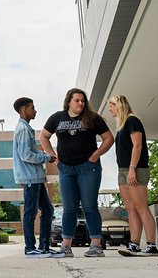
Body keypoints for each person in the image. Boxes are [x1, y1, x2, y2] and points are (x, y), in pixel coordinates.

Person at [38, 88, 113, 257]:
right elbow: (43, 136)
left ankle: (96, 246)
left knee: (89, 206)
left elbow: (109, 138)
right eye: (77, 100)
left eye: (82, 100)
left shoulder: (93, 118)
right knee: (69, 208)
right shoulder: (57, 117)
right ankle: (66, 247)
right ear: (68, 102)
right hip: (65, 168)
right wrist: (53, 156)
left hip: (88, 168)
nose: (80, 103)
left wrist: (95, 155)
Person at [108, 94, 158, 257]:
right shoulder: (121, 125)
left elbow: (137, 145)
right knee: (130, 208)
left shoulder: (132, 120)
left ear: (119, 105)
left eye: (111, 106)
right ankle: (134, 244)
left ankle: (151, 245)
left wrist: (132, 169)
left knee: (141, 207)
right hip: (122, 170)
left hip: (135, 169)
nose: (110, 109)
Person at [12, 97, 59, 258]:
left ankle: (44, 247)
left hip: (36, 178)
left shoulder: (25, 128)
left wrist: (45, 155)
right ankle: (30, 248)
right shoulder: (23, 129)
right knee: (30, 212)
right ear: (24, 109)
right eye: (32, 107)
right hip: (30, 177)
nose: (35, 110)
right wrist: (46, 158)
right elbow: (26, 155)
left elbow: (31, 152)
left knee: (47, 209)